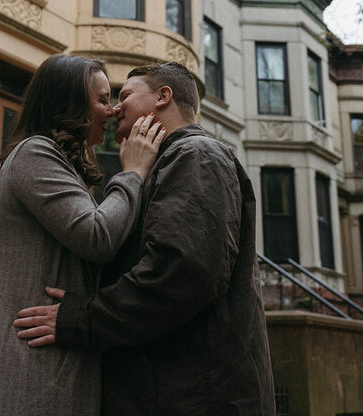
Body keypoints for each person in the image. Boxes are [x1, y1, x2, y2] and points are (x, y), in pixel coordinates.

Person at [14, 62, 276, 415]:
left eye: (125, 95)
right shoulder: (168, 164)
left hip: (193, 397)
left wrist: (85, 319)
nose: (115, 108)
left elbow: (181, 273)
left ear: (163, 97)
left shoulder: (197, 156)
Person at [0, 54, 166, 415]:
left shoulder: (61, 165)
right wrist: (133, 173)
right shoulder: (34, 154)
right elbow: (97, 236)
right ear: (70, 103)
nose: (114, 110)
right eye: (103, 99)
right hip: (28, 382)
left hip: (50, 371)